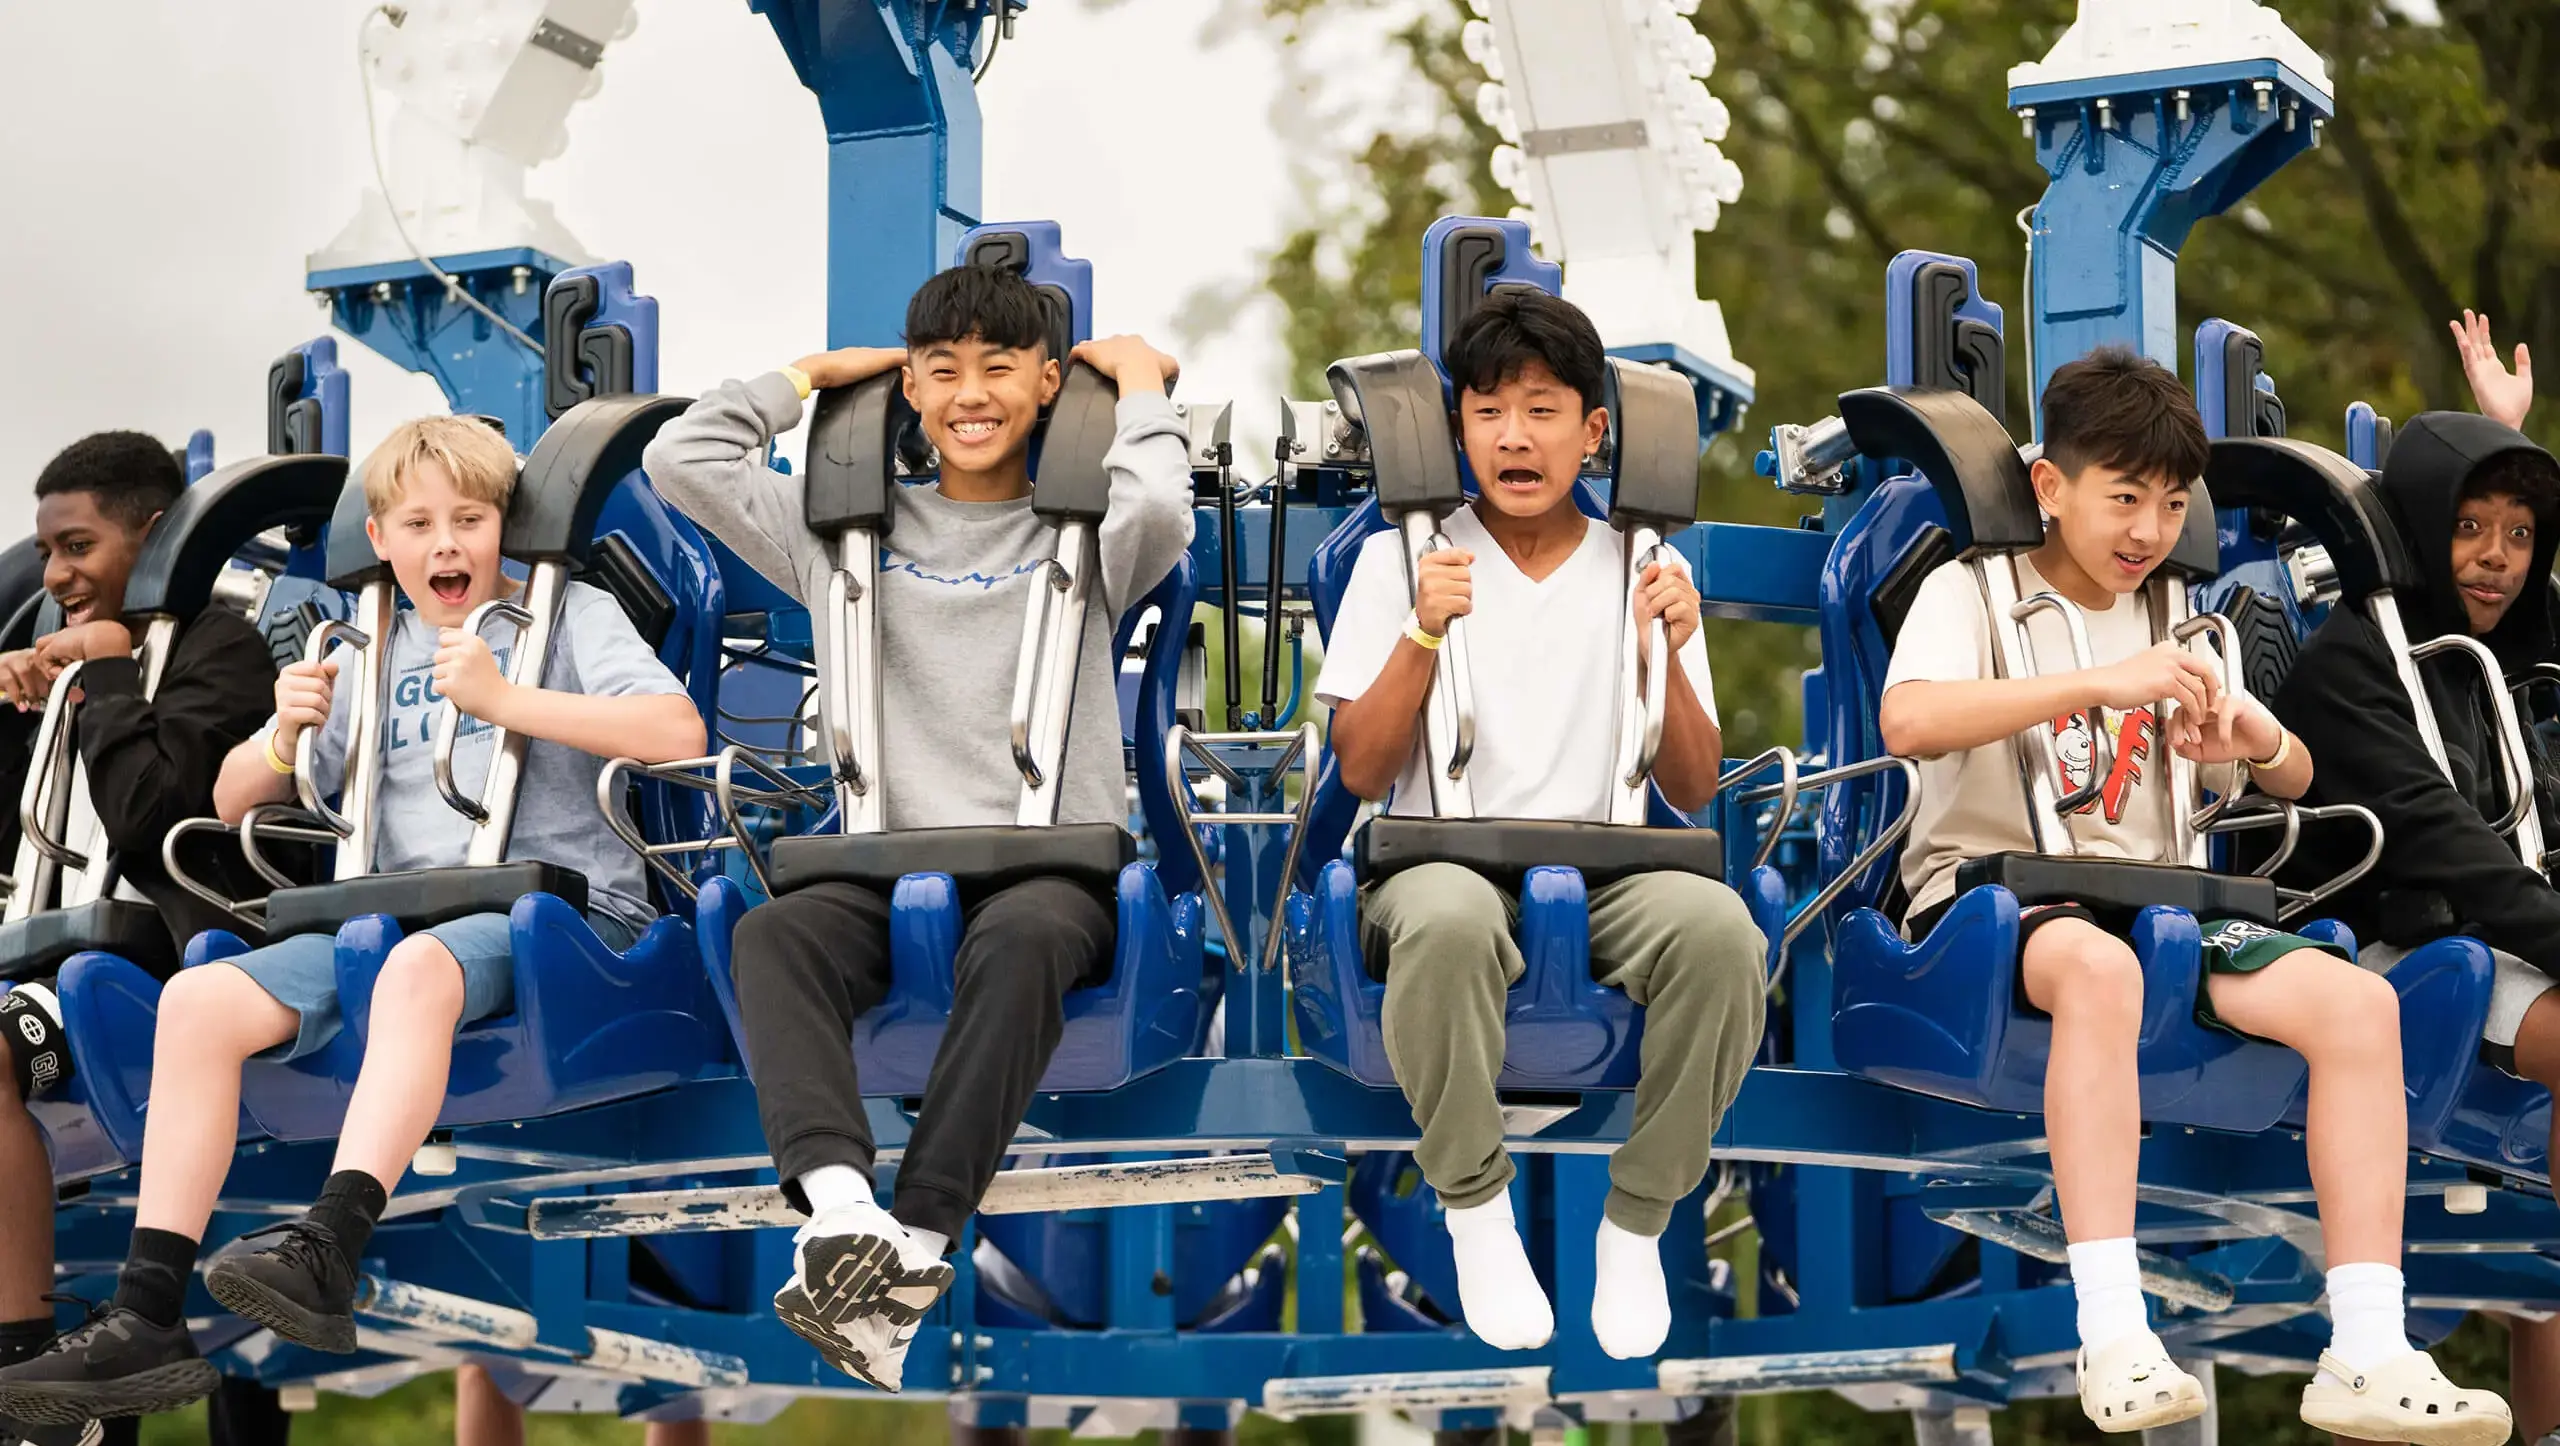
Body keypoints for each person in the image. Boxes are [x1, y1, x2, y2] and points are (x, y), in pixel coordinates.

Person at [0, 415, 704, 1427]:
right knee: (198, 1001)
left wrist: (508, 699)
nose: (447, 544)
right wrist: (286, 733)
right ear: (381, 540)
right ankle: (148, 1313)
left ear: (504, 526)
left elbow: (673, 729)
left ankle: (329, 1238)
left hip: (556, 915)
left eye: (470, 518)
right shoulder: (363, 644)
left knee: (415, 971)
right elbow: (236, 795)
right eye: (418, 524)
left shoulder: (565, 616)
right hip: (389, 915)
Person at [1879, 347, 2507, 1442]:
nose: (2148, 530)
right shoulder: (1969, 590)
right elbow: (1909, 723)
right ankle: (2112, 1328)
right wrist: (2096, 682)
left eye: (2171, 504)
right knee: (2096, 966)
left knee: (2359, 1004)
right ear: (2048, 486)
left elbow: (2291, 779)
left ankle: (2365, 1345)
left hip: (2165, 901)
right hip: (1990, 900)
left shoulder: (2184, 617)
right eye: (2123, 498)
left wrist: (2247, 733)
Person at [639, 263, 1192, 1391]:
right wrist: (805, 379)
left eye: (998, 368)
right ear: (910, 392)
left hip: (1047, 868)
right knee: (771, 936)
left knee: (1024, 941)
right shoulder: (838, 537)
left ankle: (921, 1239)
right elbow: (679, 460)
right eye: (940, 371)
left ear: (1047, 384)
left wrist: (1135, 383)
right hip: (885, 867)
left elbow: (1164, 503)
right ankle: (844, 1217)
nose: (968, 392)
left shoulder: (1086, 540)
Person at [1314, 289, 1765, 1361]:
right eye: (1487, 412)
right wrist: (1422, 631)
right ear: (1458, 427)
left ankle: (1639, 1220)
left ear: (1591, 430)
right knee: (1451, 924)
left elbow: (1695, 784)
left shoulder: (1647, 567)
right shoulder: (1403, 559)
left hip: (1604, 867)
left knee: (1723, 939)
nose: (1513, 436)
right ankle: (1474, 1210)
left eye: (1542, 408)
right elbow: (1363, 766)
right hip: (1438, 861)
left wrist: (1669, 650)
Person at [2270, 392, 2560, 1440]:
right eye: (2468, 527)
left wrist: (2498, 425)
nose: (2495, 558)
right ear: (2418, 528)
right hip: (2391, 943)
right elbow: (2454, 852)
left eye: (2520, 536)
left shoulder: (2497, 672)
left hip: (2484, 934)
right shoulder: (2353, 667)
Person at [0, 433, 292, 1446]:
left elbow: (154, 826)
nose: (57, 577)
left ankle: (23, 1366)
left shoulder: (223, 648)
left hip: (157, 966)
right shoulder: (70, 662)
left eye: (78, 547)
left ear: (156, 534)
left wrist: (111, 679)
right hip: (52, 957)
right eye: (46, 555)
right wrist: (18, 713)